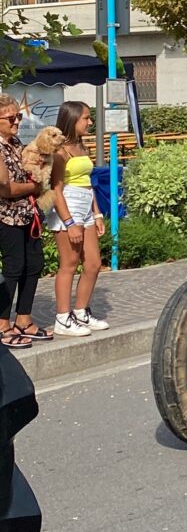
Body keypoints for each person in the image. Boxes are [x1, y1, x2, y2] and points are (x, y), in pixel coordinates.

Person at [48, 100, 108, 335]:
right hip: (68, 205)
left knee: (93, 263)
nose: (90, 122)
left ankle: (81, 311)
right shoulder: (60, 152)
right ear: (72, 119)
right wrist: (69, 223)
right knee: (69, 263)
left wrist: (97, 212)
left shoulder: (81, 146)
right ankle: (62, 318)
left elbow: (88, 183)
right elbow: (56, 190)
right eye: (86, 118)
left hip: (85, 204)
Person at [0, 95, 50, 347]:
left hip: (27, 213)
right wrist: (34, 187)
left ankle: (23, 319)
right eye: (11, 118)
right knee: (13, 267)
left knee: (34, 263)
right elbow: (6, 189)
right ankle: (2, 324)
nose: (17, 121)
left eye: (18, 116)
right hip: (6, 216)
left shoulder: (16, 143)